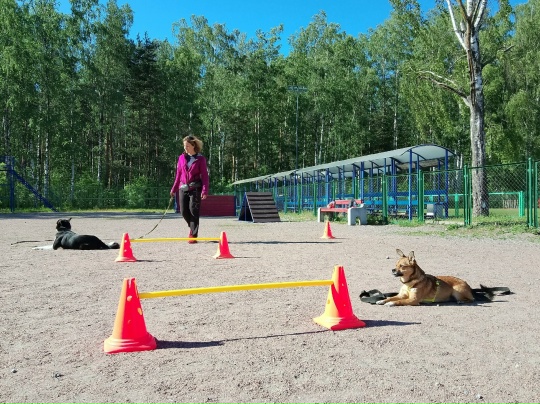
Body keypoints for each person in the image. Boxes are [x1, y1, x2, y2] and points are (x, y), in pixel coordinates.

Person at [170, 135, 209, 243]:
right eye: (184, 146)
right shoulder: (181, 158)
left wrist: (204, 191)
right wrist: (174, 189)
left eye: (187, 146)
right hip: (182, 187)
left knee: (193, 211)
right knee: (183, 212)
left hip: (195, 188)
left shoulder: (200, 159)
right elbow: (178, 175)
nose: (185, 148)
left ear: (193, 145)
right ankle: (192, 227)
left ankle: (193, 234)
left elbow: (205, 176)